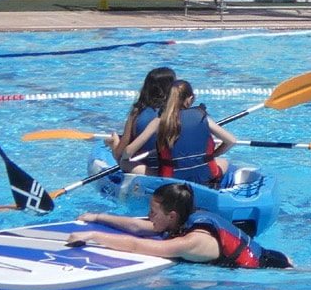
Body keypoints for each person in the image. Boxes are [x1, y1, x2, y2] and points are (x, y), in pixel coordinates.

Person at [68, 182, 292, 269]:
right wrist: (97, 218)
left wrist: (93, 235)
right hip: (268, 256)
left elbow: (137, 246)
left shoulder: (191, 241)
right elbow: (139, 227)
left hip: (272, 268)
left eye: (153, 212)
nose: (148, 216)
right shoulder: (184, 218)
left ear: (171, 215)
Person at [117, 79, 238, 186]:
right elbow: (231, 141)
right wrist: (213, 154)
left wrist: (124, 159)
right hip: (206, 175)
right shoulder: (202, 116)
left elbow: (128, 151)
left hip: (171, 179)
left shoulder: (159, 121)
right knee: (223, 162)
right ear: (191, 99)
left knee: (125, 164)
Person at [108, 66, 178, 170]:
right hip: (175, 168)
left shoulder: (137, 113)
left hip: (146, 169)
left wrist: (114, 144)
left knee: (123, 161)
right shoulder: (180, 112)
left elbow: (120, 154)